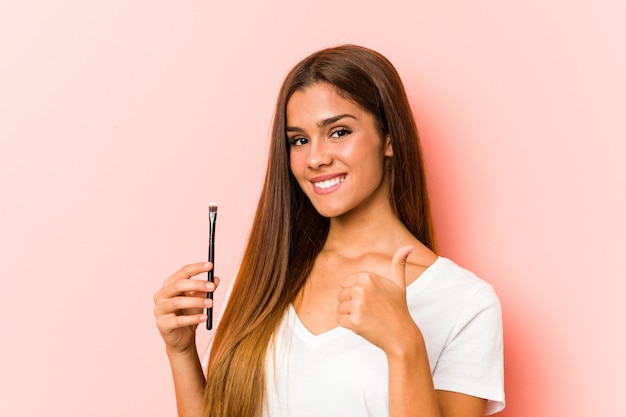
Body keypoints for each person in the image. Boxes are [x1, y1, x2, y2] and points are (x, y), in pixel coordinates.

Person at [153, 44, 504, 417]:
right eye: (299, 140)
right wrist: (181, 352)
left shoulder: (466, 303)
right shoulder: (266, 275)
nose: (316, 158)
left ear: (388, 138)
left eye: (338, 132)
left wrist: (404, 345)